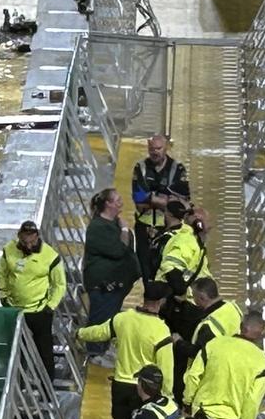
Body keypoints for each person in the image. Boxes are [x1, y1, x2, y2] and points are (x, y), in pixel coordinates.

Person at [76, 280, 174, 419]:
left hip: (120, 385)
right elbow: (166, 368)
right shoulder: (161, 331)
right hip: (145, 390)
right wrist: (168, 396)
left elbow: (99, 332)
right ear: (161, 302)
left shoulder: (123, 319)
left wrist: (79, 333)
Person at [0, 220, 66, 381]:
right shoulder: (9, 250)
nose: (28, 246)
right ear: (19, 236)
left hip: (39, 311)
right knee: (16, 352)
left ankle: (47, 390)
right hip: (14, 310)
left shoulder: (50, 256)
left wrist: (50, 306)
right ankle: (17, 388)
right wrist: (3, 296)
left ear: (37, 237)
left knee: (44, 353)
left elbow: (60, 284)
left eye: (32, 241)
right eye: (24, 242)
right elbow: (2, 273)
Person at [82, 188, 140, 366]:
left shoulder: (111, 223)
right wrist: (124, 229)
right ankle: (95, 352)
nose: (121, 203)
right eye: (117, 200)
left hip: (116, 283)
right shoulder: (98, 227)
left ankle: (104, 348)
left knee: (110, 316)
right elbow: (117, 250)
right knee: (101, 317)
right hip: (103, 284)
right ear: (107, 204)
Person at [172, 277, 241, 400]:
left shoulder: (210, 326)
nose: (193, 300)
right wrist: (185, 303)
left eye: (194, 297)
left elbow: (197, 353)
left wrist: (178, 342)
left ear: (203, 298)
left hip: (210, 374)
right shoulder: (232, 308)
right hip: (231, 363)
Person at [132, 135, 189, 277]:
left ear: (166, 148)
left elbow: (181, 204)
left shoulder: (177, 169)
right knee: (146, 274)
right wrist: (164, 199)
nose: (154, 152)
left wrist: (151, 198)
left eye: (158, 148)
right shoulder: (141, 168)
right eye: (151, 149)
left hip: (169, 228)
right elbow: (139, 201)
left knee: (166, 271)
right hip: (144, 228)